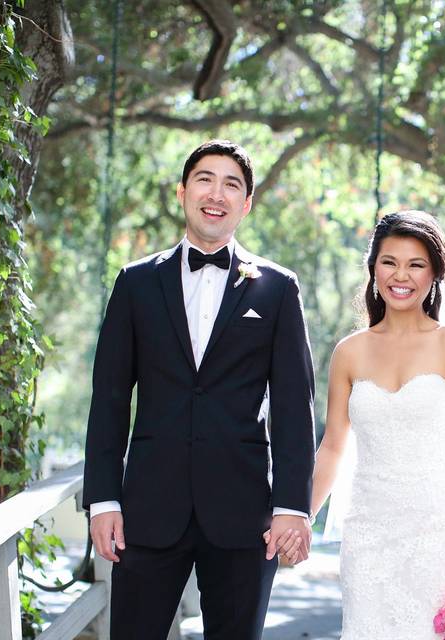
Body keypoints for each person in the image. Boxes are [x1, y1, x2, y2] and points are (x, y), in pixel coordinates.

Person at [82, 140, 316, 639]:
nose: (217, 193)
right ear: (183, 192)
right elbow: (108, 400)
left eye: (232, 184)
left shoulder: (277, 288)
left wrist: (292, 507)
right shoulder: (134, 283)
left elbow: (295, 409)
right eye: (205, 179)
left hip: (245, 515)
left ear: (246, 203)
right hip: (147, 511)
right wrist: (103, 500)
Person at [297, 210, 445, 638]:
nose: (401, 276)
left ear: (434, 274)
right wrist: (303, 516)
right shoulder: (349, 353)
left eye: (416, 265)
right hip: (368, 527)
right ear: (373, 267)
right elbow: (334, 446)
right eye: (390, 262)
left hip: (440, 526)